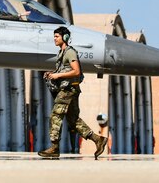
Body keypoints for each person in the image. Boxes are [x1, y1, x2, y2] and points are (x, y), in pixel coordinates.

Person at [38, 25, 108, 160]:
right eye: (54, 36)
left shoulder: (70, 52)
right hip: (70, 89)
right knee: (73, 120)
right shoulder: (62, 53)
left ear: (65, 37)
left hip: (68, 90)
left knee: (55, 116)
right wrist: (52, 74)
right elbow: (65, 70)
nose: (54, 39)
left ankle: (54, 147)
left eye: (57, 36)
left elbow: (76, 71)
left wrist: (57, 76)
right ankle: (98, 140)